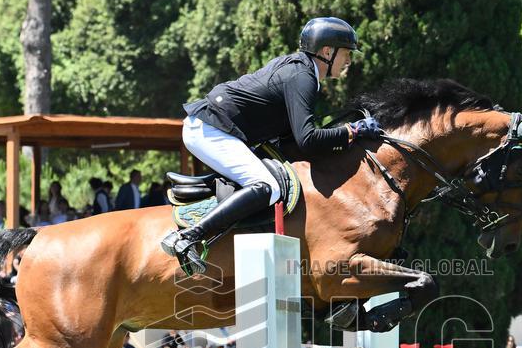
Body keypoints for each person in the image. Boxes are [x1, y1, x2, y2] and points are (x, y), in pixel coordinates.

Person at [160, 17, 380, 274]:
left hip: (215, 127)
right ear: (327, 52)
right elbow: (307, 139)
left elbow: (291, 141)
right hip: (210, 129)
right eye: (346, 53)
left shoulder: (302, 71)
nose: (349, 60)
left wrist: (345, 136)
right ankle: (187, 237)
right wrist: (352, 131)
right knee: (267, 186)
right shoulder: (302, 77)